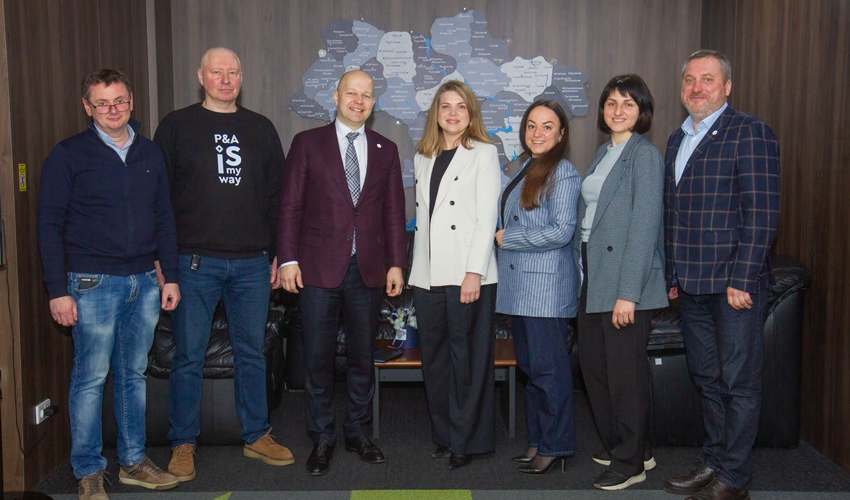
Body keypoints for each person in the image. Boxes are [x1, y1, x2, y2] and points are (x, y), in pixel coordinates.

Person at [38, 69, 181, 499]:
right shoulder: (68, 155)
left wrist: (170, 276)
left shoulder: (150, 153)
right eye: (102, 103)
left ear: (131, 101)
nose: (112, 109)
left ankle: (134, 461)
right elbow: (48, 225)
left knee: (133, 375)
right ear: (88, 107)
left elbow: (164, 218)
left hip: (144, 282)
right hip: (91, 283)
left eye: (119, 100)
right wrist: (57, 290)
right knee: (90, 378)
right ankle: (88, 470)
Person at [153, 47, 291, 481]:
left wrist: (277, 253)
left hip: (252, 264)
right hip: (193, 263)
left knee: (252, 353)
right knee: (188, 356)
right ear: (201, 76)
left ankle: (256, 435)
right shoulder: (176, 126)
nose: (226, 79)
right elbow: (158, 199)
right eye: (217, 72)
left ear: (241, 77)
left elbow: (278, 197)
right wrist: (162, 261)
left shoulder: (261, 128)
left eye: (233, 72)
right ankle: (182, 442)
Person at [663, 50, 780, 500]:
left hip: (734, 287)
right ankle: (714, 462)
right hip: (691, 284)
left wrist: (743, 278)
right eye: (690, 80)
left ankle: (735, 478)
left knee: (738, 383)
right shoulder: (676, 139)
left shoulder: (749, 131)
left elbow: (763, 212)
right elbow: (674, 213)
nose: (697, 88)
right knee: (707, 380)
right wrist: (673, 273)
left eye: (707, 79)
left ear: (727, 86)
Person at [278, 69, 407, 476]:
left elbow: (393, 212)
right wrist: (287, 259)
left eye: (366, 95)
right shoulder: (307, 144)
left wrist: (396, 262)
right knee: (316, 358)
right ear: (336, 96)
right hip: (316, 268)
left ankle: (357, 431)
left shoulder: (386, 149)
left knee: (362, 357)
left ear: (374, 102)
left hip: (368, 270)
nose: (358, 101)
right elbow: (290, 206)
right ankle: (322, 436)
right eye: (351, 93)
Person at [573, 74, 667, 490]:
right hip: (593, 273)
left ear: (642, 111)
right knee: (594, 365)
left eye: (628, 103)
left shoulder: (644, 156)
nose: (618, 110)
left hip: (626, 279)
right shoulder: (604, 152)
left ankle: (628, 463)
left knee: (624, 374)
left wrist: (628, 294)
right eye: (611, 102)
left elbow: (644, 228)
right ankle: (632, 446)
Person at [408, 80, 501, 470]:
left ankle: (468, 441)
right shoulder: (423, 155)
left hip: (467, 272)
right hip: (427, 273)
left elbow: (486, 218)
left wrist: (474, 272)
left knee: (468, 359)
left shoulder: (484, 152)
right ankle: (445, 435)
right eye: (445, 106)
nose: (452, 113)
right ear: (436, 113)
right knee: (435, 358)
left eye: (460, 106)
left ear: (470, 113)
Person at [495, 100, 581, 476]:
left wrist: (510, 238)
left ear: (561, 134)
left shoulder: (564, 173)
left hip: (546, 290)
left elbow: (562, 231)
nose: (538, 133)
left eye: (548, 126)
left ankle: (556, 445)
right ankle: (538, 441)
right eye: (532, 125)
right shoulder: (527, 167)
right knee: (532, 370)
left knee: (549, 371)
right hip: (522, 289)